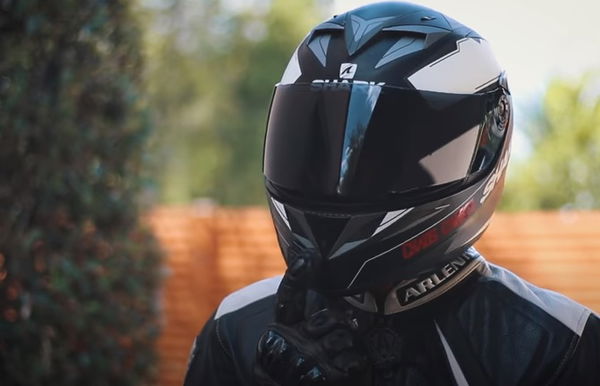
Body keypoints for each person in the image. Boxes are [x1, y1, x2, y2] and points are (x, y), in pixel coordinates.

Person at [183, 2, 600, 385]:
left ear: (483, 152)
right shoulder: (234, 329)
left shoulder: (558, 345)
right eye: (319, 151)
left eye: (386, 159)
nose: (343, 183)